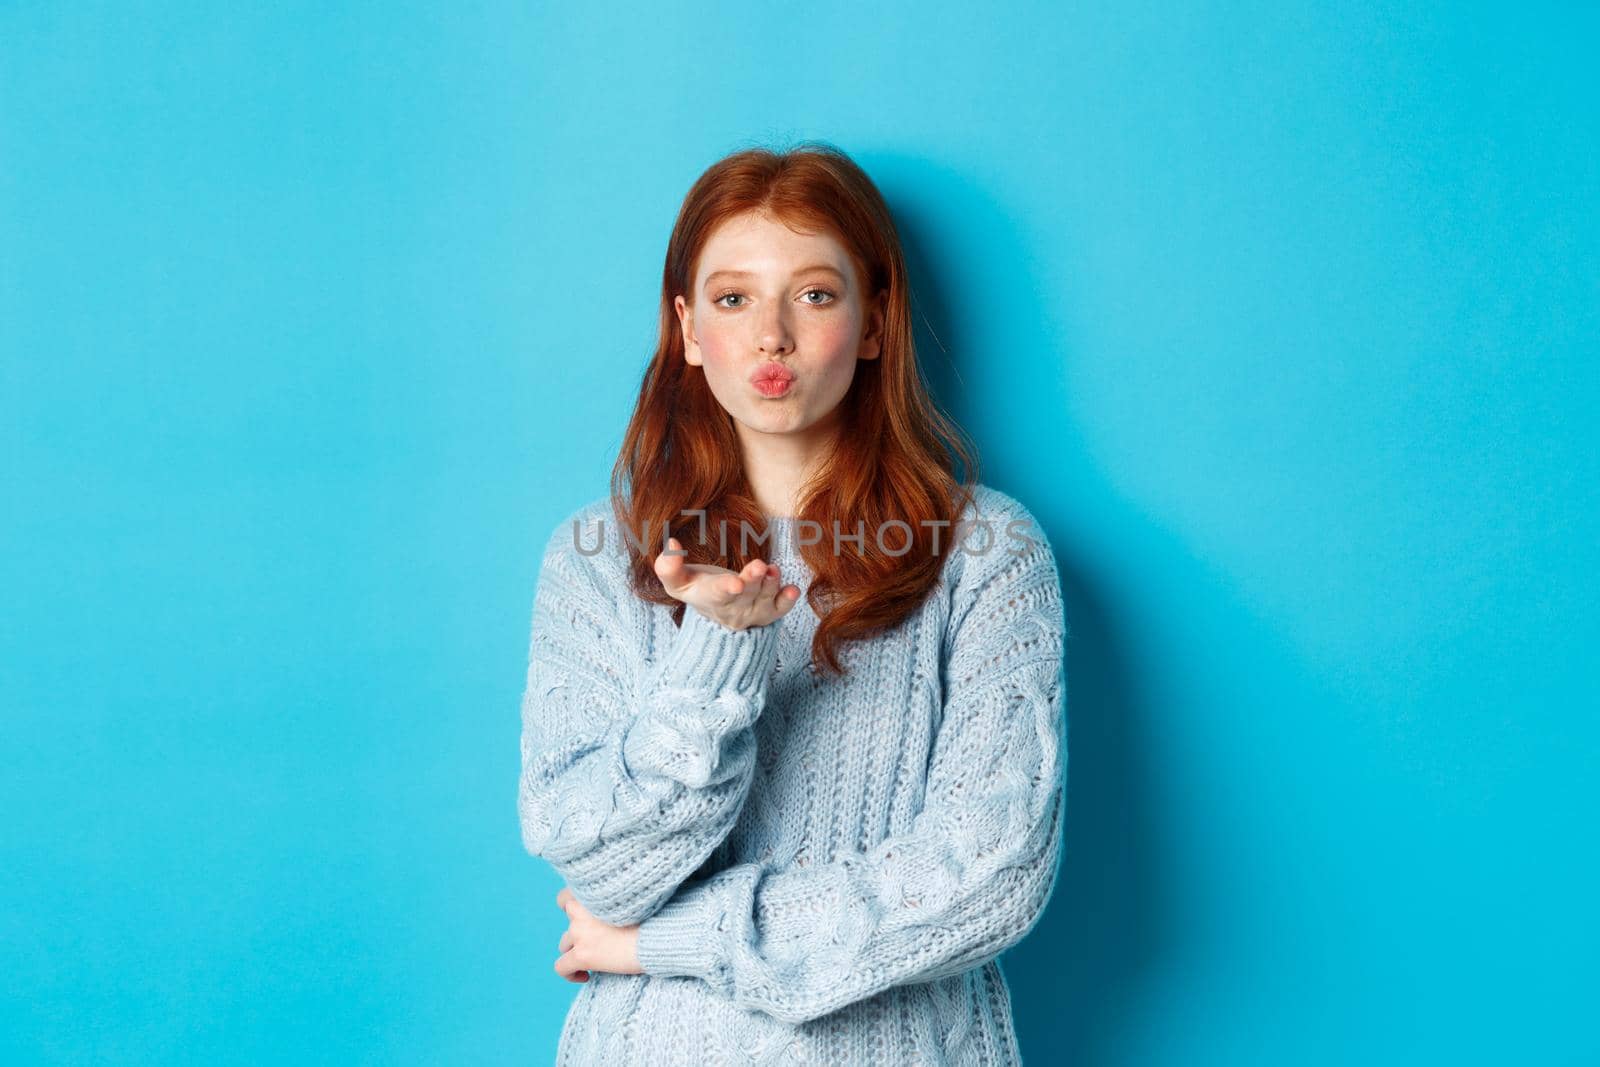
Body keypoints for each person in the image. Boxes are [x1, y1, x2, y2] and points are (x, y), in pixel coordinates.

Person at [517, 142, 1068, 1065]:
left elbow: (990, 875)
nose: (771, 335)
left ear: (874, 323)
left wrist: (663, 944)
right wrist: (717, 657)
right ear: (689, 329)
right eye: (734, 299)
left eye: (814, 294)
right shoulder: (596, 559)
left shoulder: (987, 552)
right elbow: (603, 868)